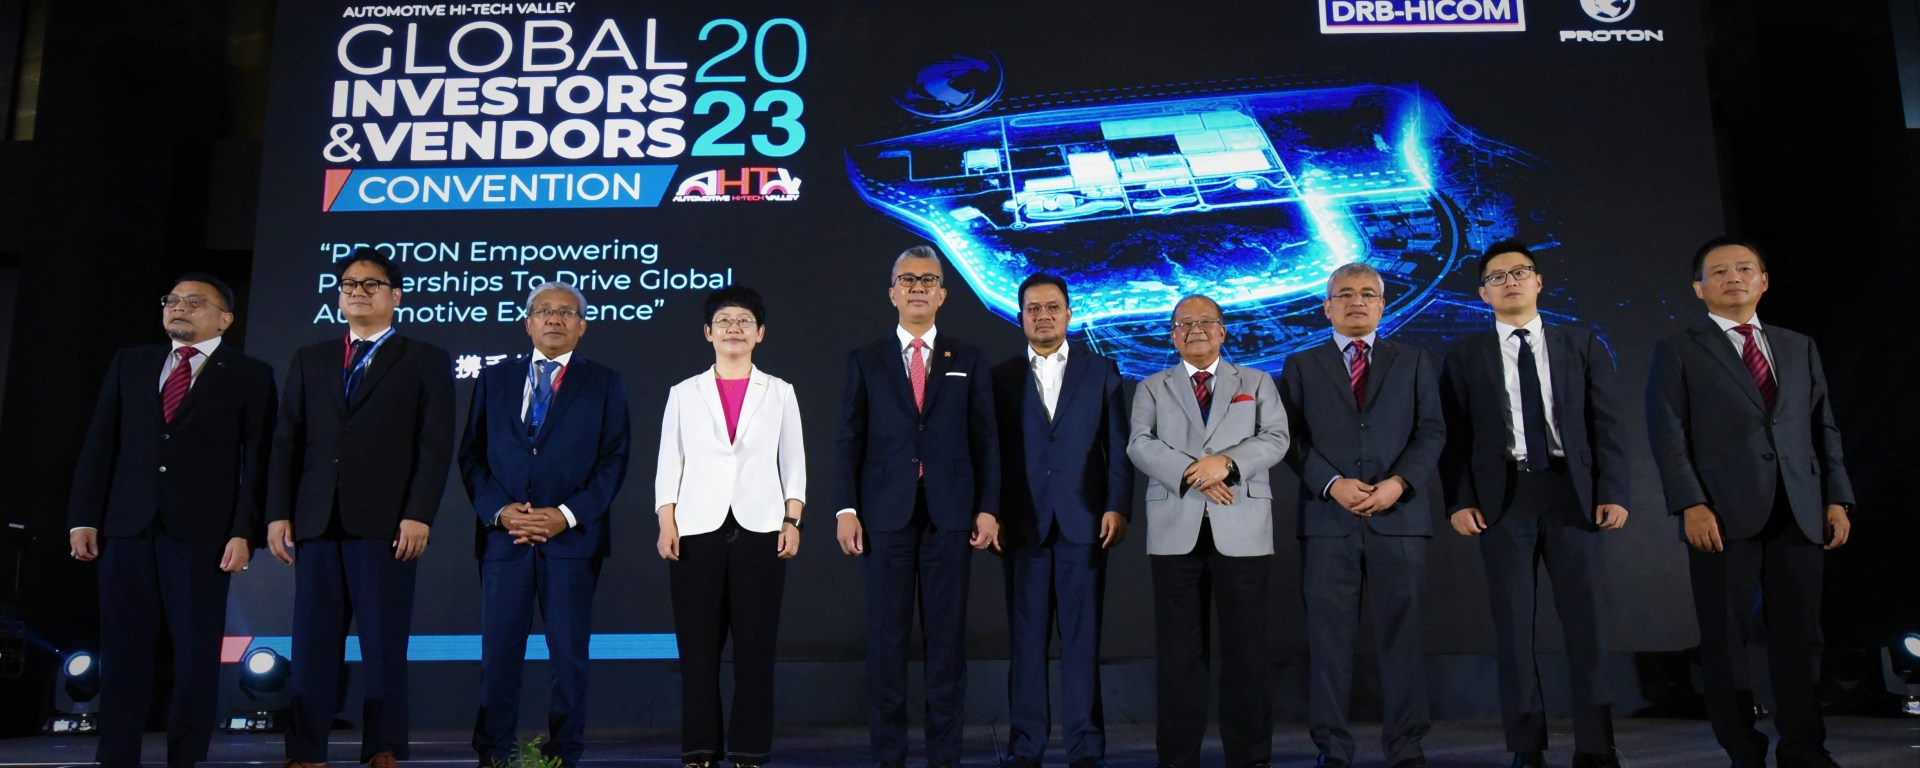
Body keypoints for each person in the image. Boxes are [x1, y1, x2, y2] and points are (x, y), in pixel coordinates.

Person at [1646, 236, 1854, 768]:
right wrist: (1691, 504)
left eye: (1744, 268)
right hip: (1720, 512)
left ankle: (1805, 748)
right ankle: (1742, 748)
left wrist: (1836, 498)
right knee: (1726, 639)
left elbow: (1822, 426)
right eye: (1718, 271)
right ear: (1699, 288)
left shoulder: (1797, 345)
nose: (1733, 277)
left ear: (1764, 281)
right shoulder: (1680, 349)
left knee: (1801, 638)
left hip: (1799, 508)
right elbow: (1668, 434)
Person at [68, 272, 276, 768]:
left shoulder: (250, 373)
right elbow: (100, 443)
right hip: (126, 526)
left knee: (196, 651)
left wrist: (244, 531)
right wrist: (83, 517)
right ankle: (117, 755)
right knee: (122, 648)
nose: (179, 307)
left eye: (195, 301)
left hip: (202, 532)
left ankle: (187, 755)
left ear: (224, 319)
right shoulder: (131, 362)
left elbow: (258, 460)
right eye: (173, 300)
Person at [1438, 242, 1630, 768]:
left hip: (1573, 493)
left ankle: (1596, 745)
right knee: (1513, 628)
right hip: (1504, 498)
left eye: (1520, 272)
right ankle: (1527, 748)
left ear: (1539, 281)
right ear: (1483, 294)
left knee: (1587, 625)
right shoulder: (1465, 355)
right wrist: (1459, 500)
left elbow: (1607, 425)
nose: (1510, 282)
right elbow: (1453, 437)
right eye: (1497, 277)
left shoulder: (1580, 343)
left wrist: (1613, 491)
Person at [266, 247, 455, 768]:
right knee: (312, 644)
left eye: (371, 284)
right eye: (349, 284)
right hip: (316, 520)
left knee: (383, 643)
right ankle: (306, 750)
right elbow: (287, 440)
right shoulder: (312, 358)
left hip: (386, 523)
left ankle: (384, 747)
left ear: (396, 296)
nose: (358, 292)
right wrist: (278, 512)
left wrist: (418, 513)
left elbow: (435, 444)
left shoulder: (424, 358)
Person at [834, 245, 1001, 768]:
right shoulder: (865, 359)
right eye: (907, 279)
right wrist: (845, 509)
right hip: (884, 517)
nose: (918, 287)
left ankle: (944, 758)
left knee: (946, 644)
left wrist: (989, 507)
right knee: (886, 643)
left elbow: (986, 439)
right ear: (892, 293)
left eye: (928, 280)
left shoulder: (968, 358)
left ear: (943, 294)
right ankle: (889, 756)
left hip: (951, 515)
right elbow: (849, 439)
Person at [460, 282, 631, 768]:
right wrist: (501, 511)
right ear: (528, 323)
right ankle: (494, 753)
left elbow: (614, 460)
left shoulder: (604, 382)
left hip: (573, 541)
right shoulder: (494, 379)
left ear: (582, 326)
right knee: (498, 655)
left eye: (565, 312)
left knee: (568, 657)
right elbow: (471, 455)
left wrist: (565, 515)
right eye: (543, 311)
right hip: (504, 539)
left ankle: (564, 754)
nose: (554, 318)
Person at [1278, 262, 1443, 768]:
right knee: (1328, 643)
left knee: (1403, 639)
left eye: (1368, 293)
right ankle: (1332, 748)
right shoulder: (1300, 364)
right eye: (1345, 294)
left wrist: (1399, 483)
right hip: (1328, 522)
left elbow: (1432, 431)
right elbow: (1291, 439)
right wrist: (1332, 484)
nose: (1357, 301)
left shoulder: (1413, 360)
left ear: (1382, 305)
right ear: (1326, 306)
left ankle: (1407, 746)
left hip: (1400, 519)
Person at [1126, 294, 1288, 768]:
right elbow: (1139, 443)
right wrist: (1195, 472)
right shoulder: (1152, 386)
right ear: (1172, 335)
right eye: (1185, 324)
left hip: (1243, 528)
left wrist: (1227, 465)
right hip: (1175, 530)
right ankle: (1178, 758)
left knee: (1247, 653)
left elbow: (1276, 437)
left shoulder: (1255, 381)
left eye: (1206, 322)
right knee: (1179, 656)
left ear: (1222, 331)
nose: (1195, 330)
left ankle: (1250, 758)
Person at [653, 286, 806, 768]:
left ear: (760, 333)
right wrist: (666, 521)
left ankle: (749, 750)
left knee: (755, 649)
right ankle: (700, 749)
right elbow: (669, 464)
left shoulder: (780, 392)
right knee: (697, 650)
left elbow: (794, 462)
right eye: (724, 321)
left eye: (743, 321)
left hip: (761, 528)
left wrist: (792, 519)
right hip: (696, 529)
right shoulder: (684, 393)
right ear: (708, 333)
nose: (733, 329)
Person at [989, 273, 1133, 768]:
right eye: (1033, 308)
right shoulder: (1001, 377)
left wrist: (1117, 505)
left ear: (1069, 313)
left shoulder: (1101, 370)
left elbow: (1118, 446)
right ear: (1020, 317)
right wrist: (991, 511)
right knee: (1026, 643)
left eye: (1052, 307)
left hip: (1084, 523)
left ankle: (1086, 746)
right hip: (1021, 526)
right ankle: (1025, 746)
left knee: (1082, 641)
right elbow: (991, 453)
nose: (1043, 316)